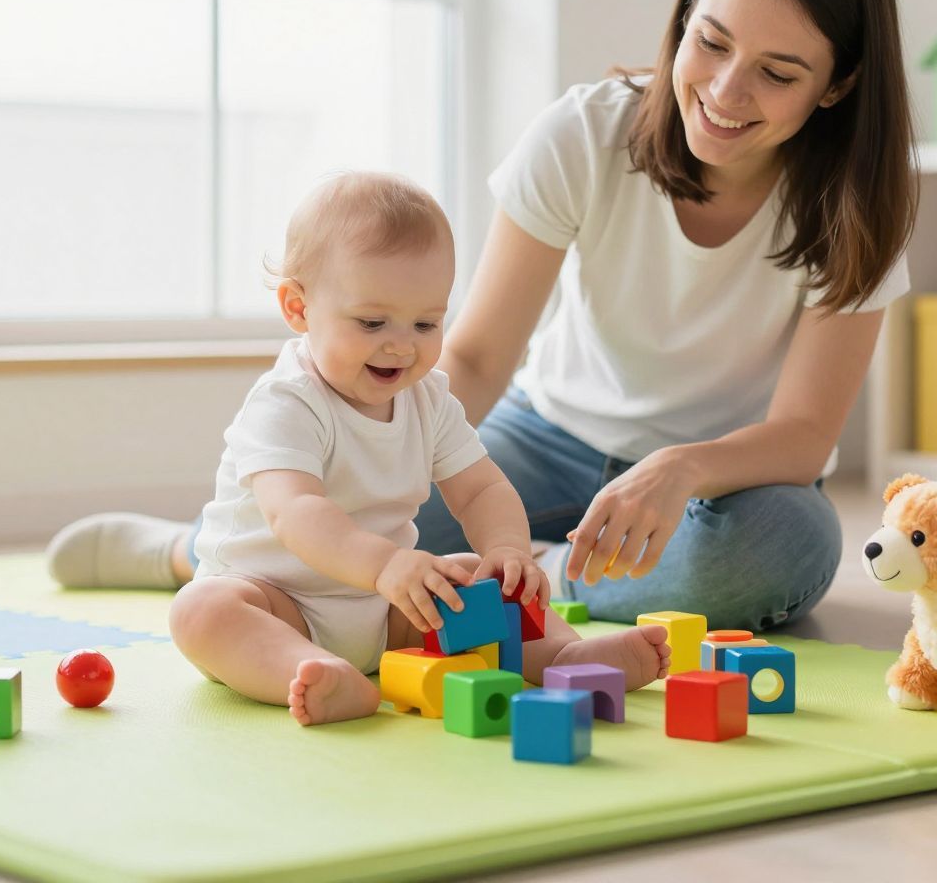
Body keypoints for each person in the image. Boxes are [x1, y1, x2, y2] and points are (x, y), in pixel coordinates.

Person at [48, 0, 917, 634]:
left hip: (714, 484)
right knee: (349, 515)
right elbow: (476, 359)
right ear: (683, 18)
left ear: (835, 86)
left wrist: (682, 467)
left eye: (777, 72)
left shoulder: (858, 205)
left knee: (792, 544)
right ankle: (195, 553)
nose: (726, 92)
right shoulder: (588, 133)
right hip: (541, 438)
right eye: (712, 43)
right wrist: (375, 456)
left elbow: (803, 436)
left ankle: (545, 577)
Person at [158, 172, 670, 725]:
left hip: (390, 609)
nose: (401, 344)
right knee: (202, 610)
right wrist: (385, 566)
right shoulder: (286, 403)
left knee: (475, 573)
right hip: (280, 604)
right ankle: (311, 671)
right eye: (372, 321)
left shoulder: (427, 398)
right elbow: (295, 512)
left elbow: (481, 488)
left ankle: (563, 655)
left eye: (426, 322)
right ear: (298, 308)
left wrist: (509, 550)